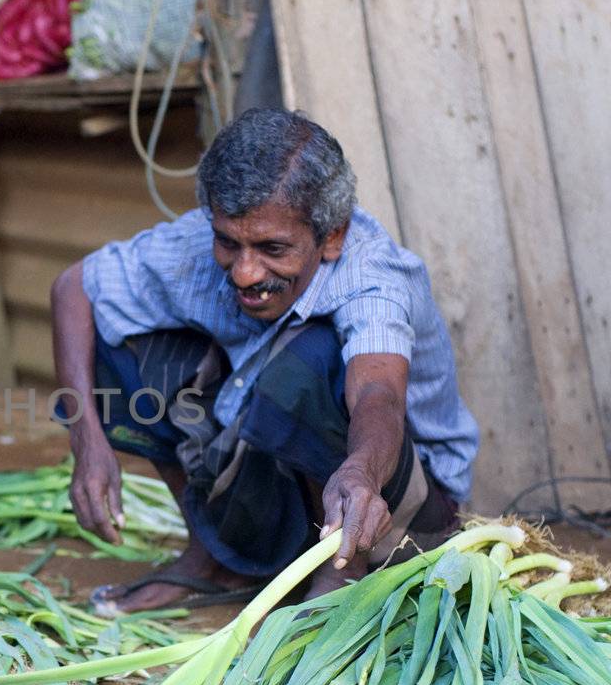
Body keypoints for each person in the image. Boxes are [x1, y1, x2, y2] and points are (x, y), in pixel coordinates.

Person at [50, 108, 479, 614]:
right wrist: (88, 440)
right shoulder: (205, 242)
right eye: (228, 242)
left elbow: (376, 394)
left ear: (333, 235)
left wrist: (360, 472)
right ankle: (211, 554)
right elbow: (74, 287)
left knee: (312, 353)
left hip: (394, 508)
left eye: (273, 248)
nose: (246, 272)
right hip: (280, 475)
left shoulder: (371, 276)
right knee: (118, 341)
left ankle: (340, 577)